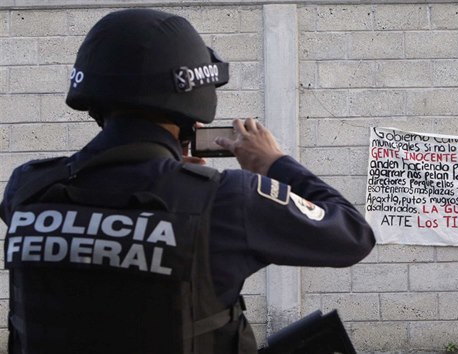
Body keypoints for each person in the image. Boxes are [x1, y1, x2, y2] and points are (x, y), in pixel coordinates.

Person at [0, 8, 375, 354]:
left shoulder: (27, 188)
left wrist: (167, 174)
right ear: (193, 100)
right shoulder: (226, 200)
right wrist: (275, 162)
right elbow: (352, 235)